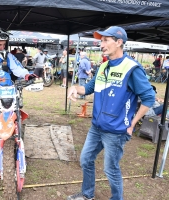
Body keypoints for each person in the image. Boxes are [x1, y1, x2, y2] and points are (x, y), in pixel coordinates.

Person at [66, 26, 155, 200]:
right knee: (85, 160)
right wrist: (74, 88)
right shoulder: (103, 66)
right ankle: (87, 194)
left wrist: (132, 123)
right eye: (101, 40)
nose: (102, 44)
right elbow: (88, 88)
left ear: (119, 42)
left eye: (106, 40)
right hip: (96, 127)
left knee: (110, 168)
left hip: (116, 131)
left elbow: (149, 98)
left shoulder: (132, 68)